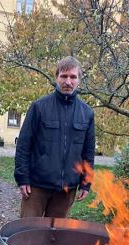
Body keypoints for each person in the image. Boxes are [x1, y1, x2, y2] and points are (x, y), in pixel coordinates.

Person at [14, 56, 96, 218]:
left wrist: (86, 183)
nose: (68, 81)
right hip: (36, 187)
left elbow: (88, 152)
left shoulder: (87, 113)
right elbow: (24, 145)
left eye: (73, 77)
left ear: (79, 80)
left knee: (54, 238)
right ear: (56, 77)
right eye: (64, 76)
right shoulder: (39, 107)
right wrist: (23, 178)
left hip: (67, 189)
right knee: (28, 233)